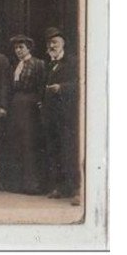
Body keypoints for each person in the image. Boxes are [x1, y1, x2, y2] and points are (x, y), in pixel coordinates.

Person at [42, 27, 81, 206]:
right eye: (49, 43)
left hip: (66, 114)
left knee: (69, 149)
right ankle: (58, 187)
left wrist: (61, 87)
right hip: (51, 114)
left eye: (55, 42)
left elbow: (79, 84)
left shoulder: (72, 62)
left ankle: (75, 188)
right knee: (53, 150)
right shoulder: (49, 63)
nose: (52, 45)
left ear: (63, 44)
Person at [6, 35, 46, 194]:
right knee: (17, 142)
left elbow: (41, 85)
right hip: (17, 104)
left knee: (29, 142)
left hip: (30, 104)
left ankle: (32, 184)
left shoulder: (38, 63)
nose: (18, 51)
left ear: (29, 48)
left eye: (21, 47)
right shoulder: (17, 65)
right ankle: (17, 184)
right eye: (16, 48)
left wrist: (39, 103)